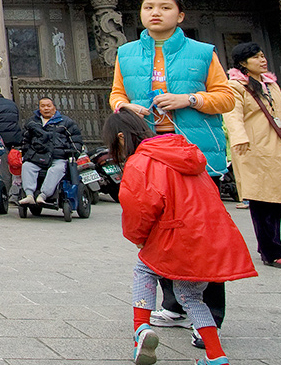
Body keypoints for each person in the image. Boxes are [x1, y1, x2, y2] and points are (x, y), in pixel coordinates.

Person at [109, 0, 237, 345]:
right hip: (149, 152)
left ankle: (208, 316)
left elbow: (227, 96)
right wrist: (126, 108)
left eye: (165, 7)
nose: (155, 13)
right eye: (149, 7)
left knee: (202, 236)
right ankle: (174, 305)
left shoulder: (202, 53)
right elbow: (116, 95)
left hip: (194, 155)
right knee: (159, 231)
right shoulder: (127, 53)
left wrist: (189, 99)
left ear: (180, 15)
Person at [103, 108, 255, 365]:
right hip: (211, 233)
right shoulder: (185, 152)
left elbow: (139, 207)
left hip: (177, 235)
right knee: (191, 296)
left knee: (144, 268)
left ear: (120, 137)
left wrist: (138, 237)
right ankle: (215, 355)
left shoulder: (140, 162)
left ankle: (141, 329)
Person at [224, 42, 281, 270]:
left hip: (274, 150)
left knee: (275, 203)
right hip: (252, 150)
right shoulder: (235, 86)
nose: (263, 60)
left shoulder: (270, 85)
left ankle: (273, 245)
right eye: (256, 57)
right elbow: (232, 114)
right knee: (262, 203)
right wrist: (239, 138)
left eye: (263, 56)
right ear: (243, 63)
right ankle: (272, 252)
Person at [18, 97, 82, 205]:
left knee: (57, 169)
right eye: (42, 106)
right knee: (27, 166)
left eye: (48, 105)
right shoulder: (32, 122)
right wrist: (26, 152)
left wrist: (73, 153)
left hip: (57, 157)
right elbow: (25, 139)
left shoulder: (65, 122)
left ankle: (43, 195)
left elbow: (75, 140)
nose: (46, 108)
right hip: (37, 156)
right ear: (39, 108)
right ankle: (29, 195)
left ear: (54, 107)